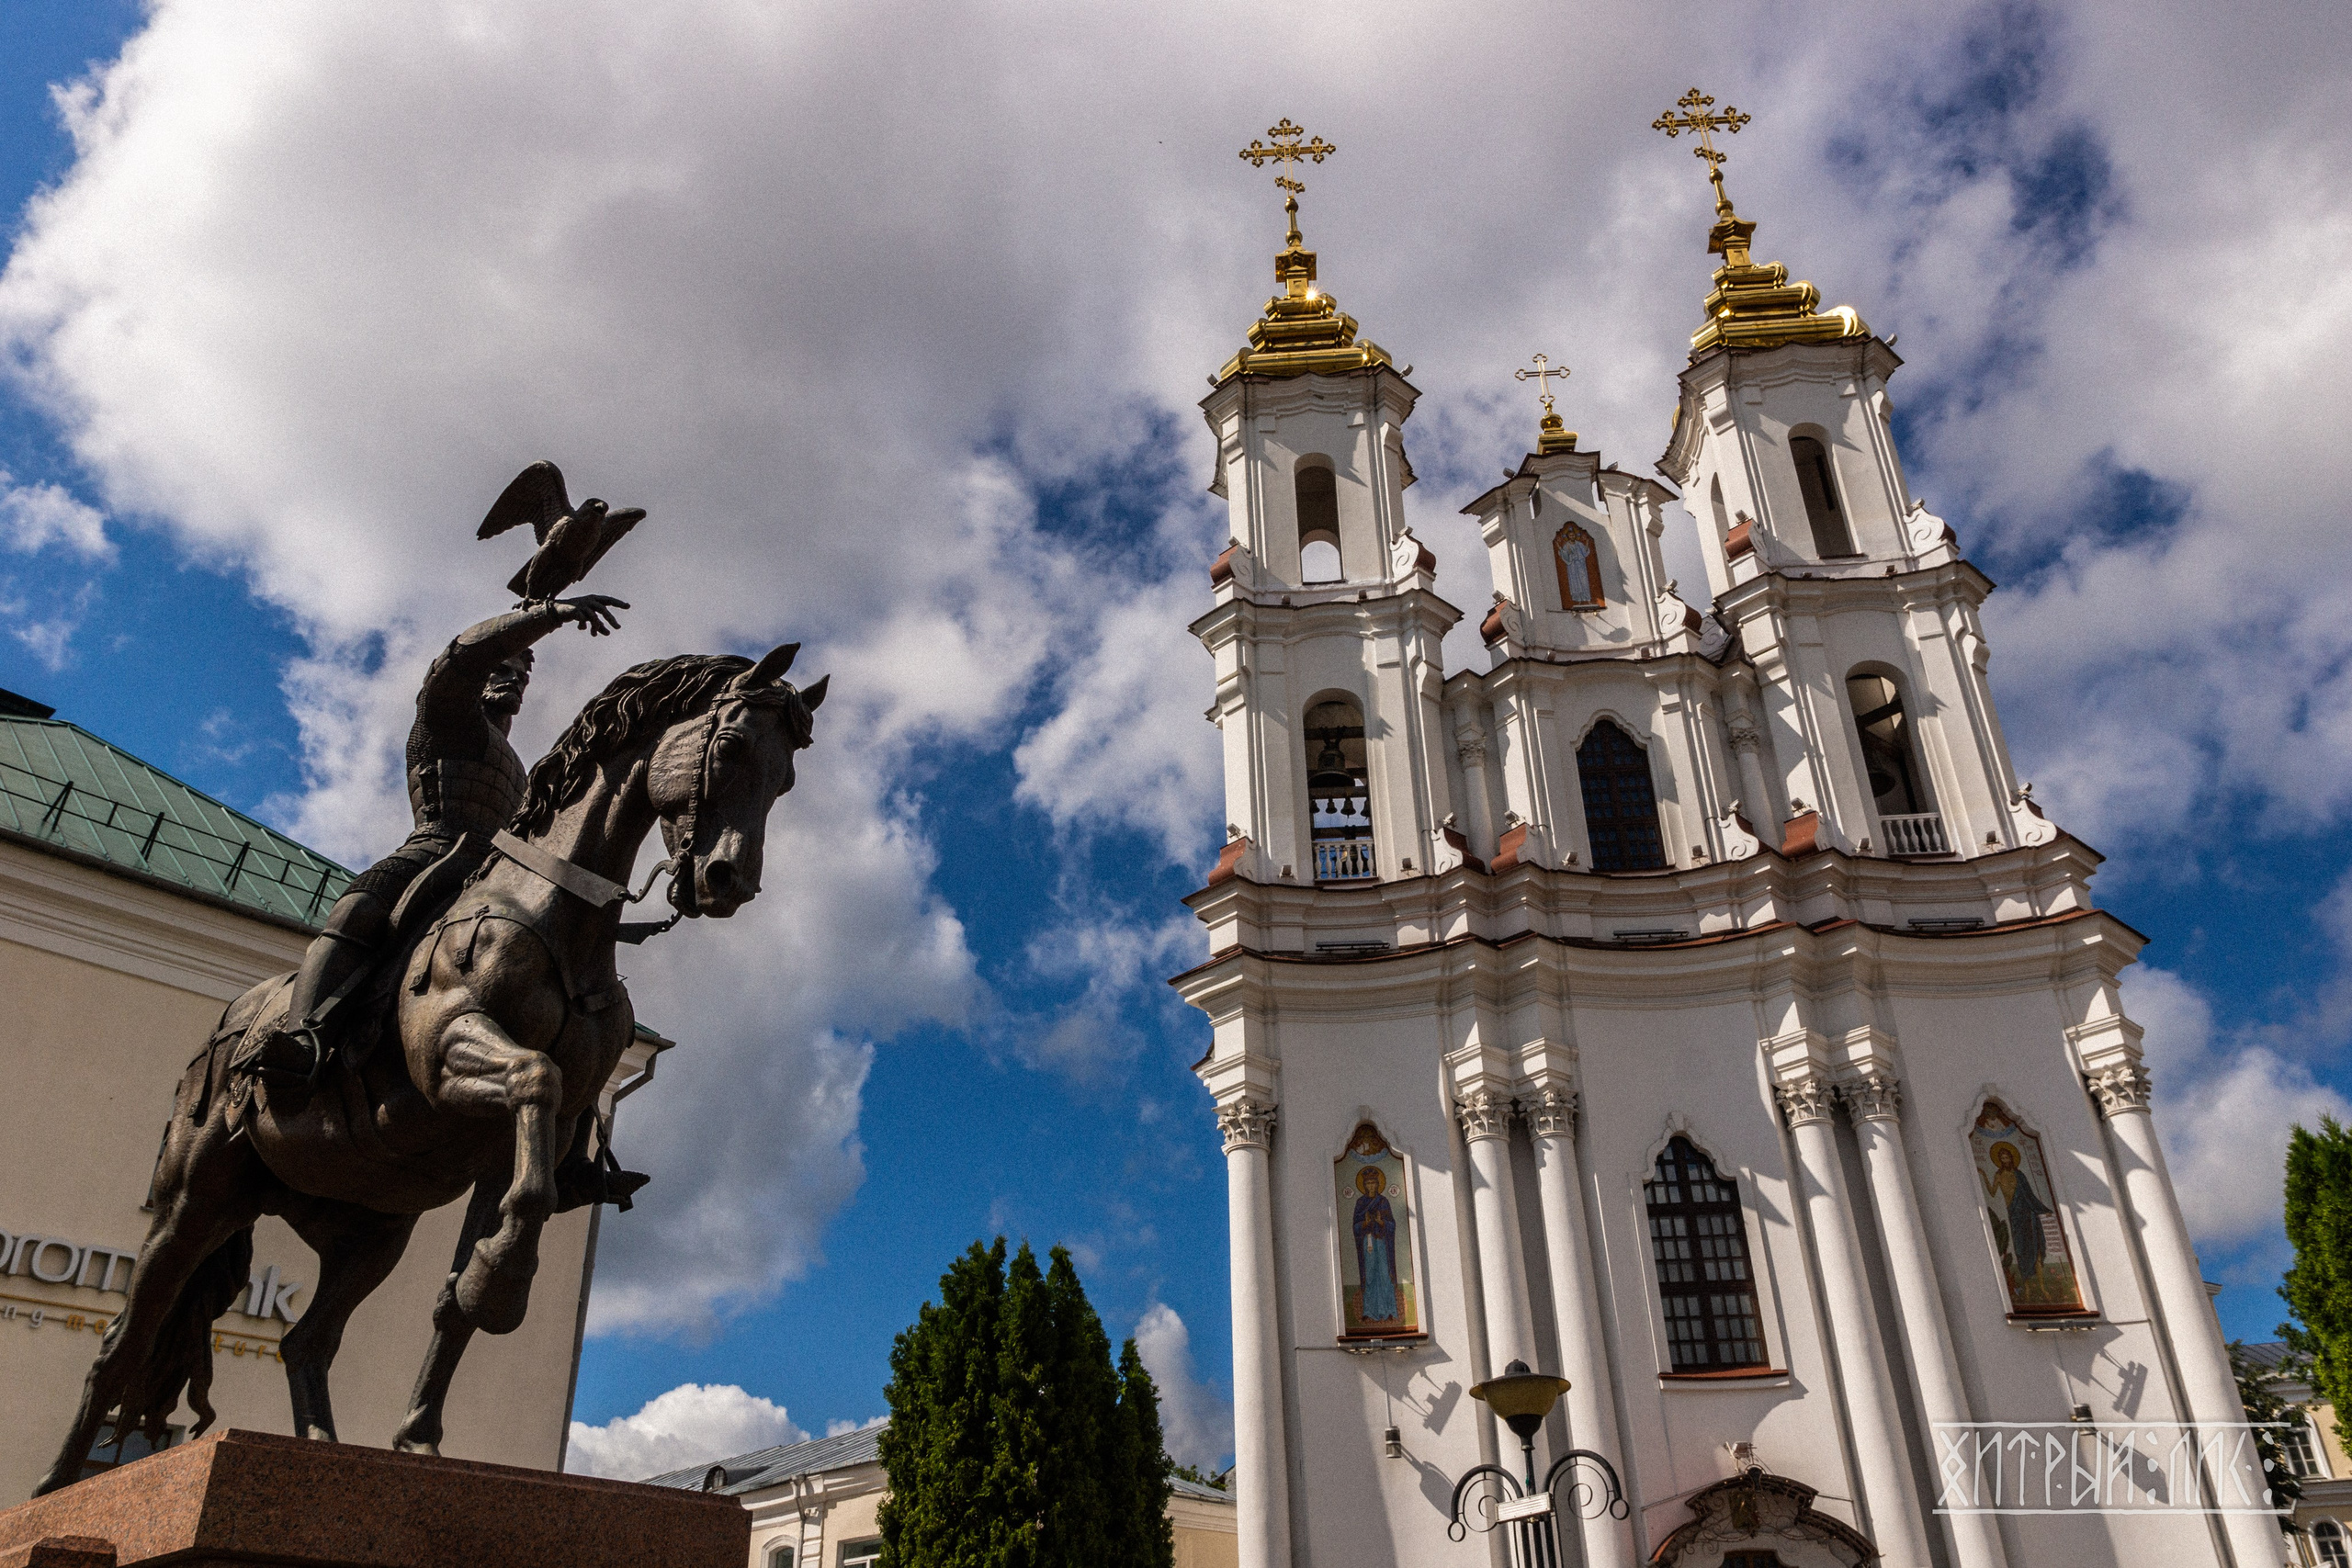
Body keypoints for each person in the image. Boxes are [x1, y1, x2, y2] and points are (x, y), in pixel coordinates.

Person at [257, 594, 626, 1081]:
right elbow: (461, 659)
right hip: (436, 850)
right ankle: (304, 1037)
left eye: (521, 676)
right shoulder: (445, 718)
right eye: (503, 668)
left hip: (493, 870)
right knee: (356, 911)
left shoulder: (520, 767)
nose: (514, 680)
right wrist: (544, 617)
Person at [1353, 1166, 1401, 1326]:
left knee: (1385, 1274)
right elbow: (1355, 1227)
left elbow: (1392, 1225)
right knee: (1370, 1275)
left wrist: (1381, 1222)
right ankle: (1369, 1311)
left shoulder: (1383, 1202)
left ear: (1378, 1184)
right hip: (1368, 1244)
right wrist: (1365, 1223)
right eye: (1368, 1183)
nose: (1371, 1186)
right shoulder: (1360, 1203)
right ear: (1364, 1185)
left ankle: (1389, 1310)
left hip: (1382, 1243)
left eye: (1373, 1183)